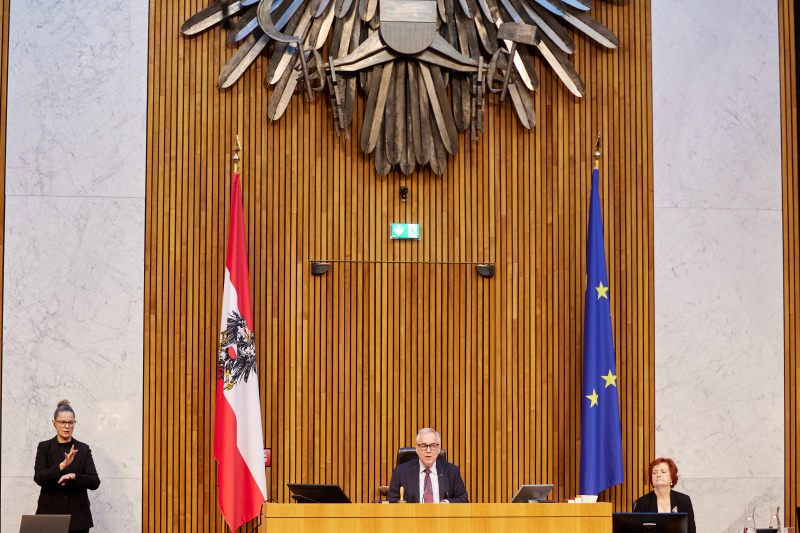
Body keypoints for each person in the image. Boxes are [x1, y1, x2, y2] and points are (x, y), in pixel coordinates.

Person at [34, 400, 101, 533]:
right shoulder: (44, 447)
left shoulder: (83, 449)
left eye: (71, 422)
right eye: (62, 422)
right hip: (49, 514)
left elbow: (94, 482)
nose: (67, 426)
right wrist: (62, 465)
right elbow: (39, 478)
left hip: (78, 517)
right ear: (54, 423)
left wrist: (75, 476)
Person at [387, 428, 469, 503]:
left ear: (438, 448)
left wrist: (446, 503)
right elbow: (392, 502)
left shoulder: (452, 471)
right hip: (412, 517)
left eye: (433, 446)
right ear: (417, 448)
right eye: (424, 446)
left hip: (442, 517)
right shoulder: (401, 472)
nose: (428, 450)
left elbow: (463, 499)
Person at [633, 457, 696, 533]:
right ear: (651, 479)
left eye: (663, 472)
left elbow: (691, 530)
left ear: (671, 477)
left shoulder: (684, 500)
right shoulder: (642, 502)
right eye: (654, 473)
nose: (658, 475)